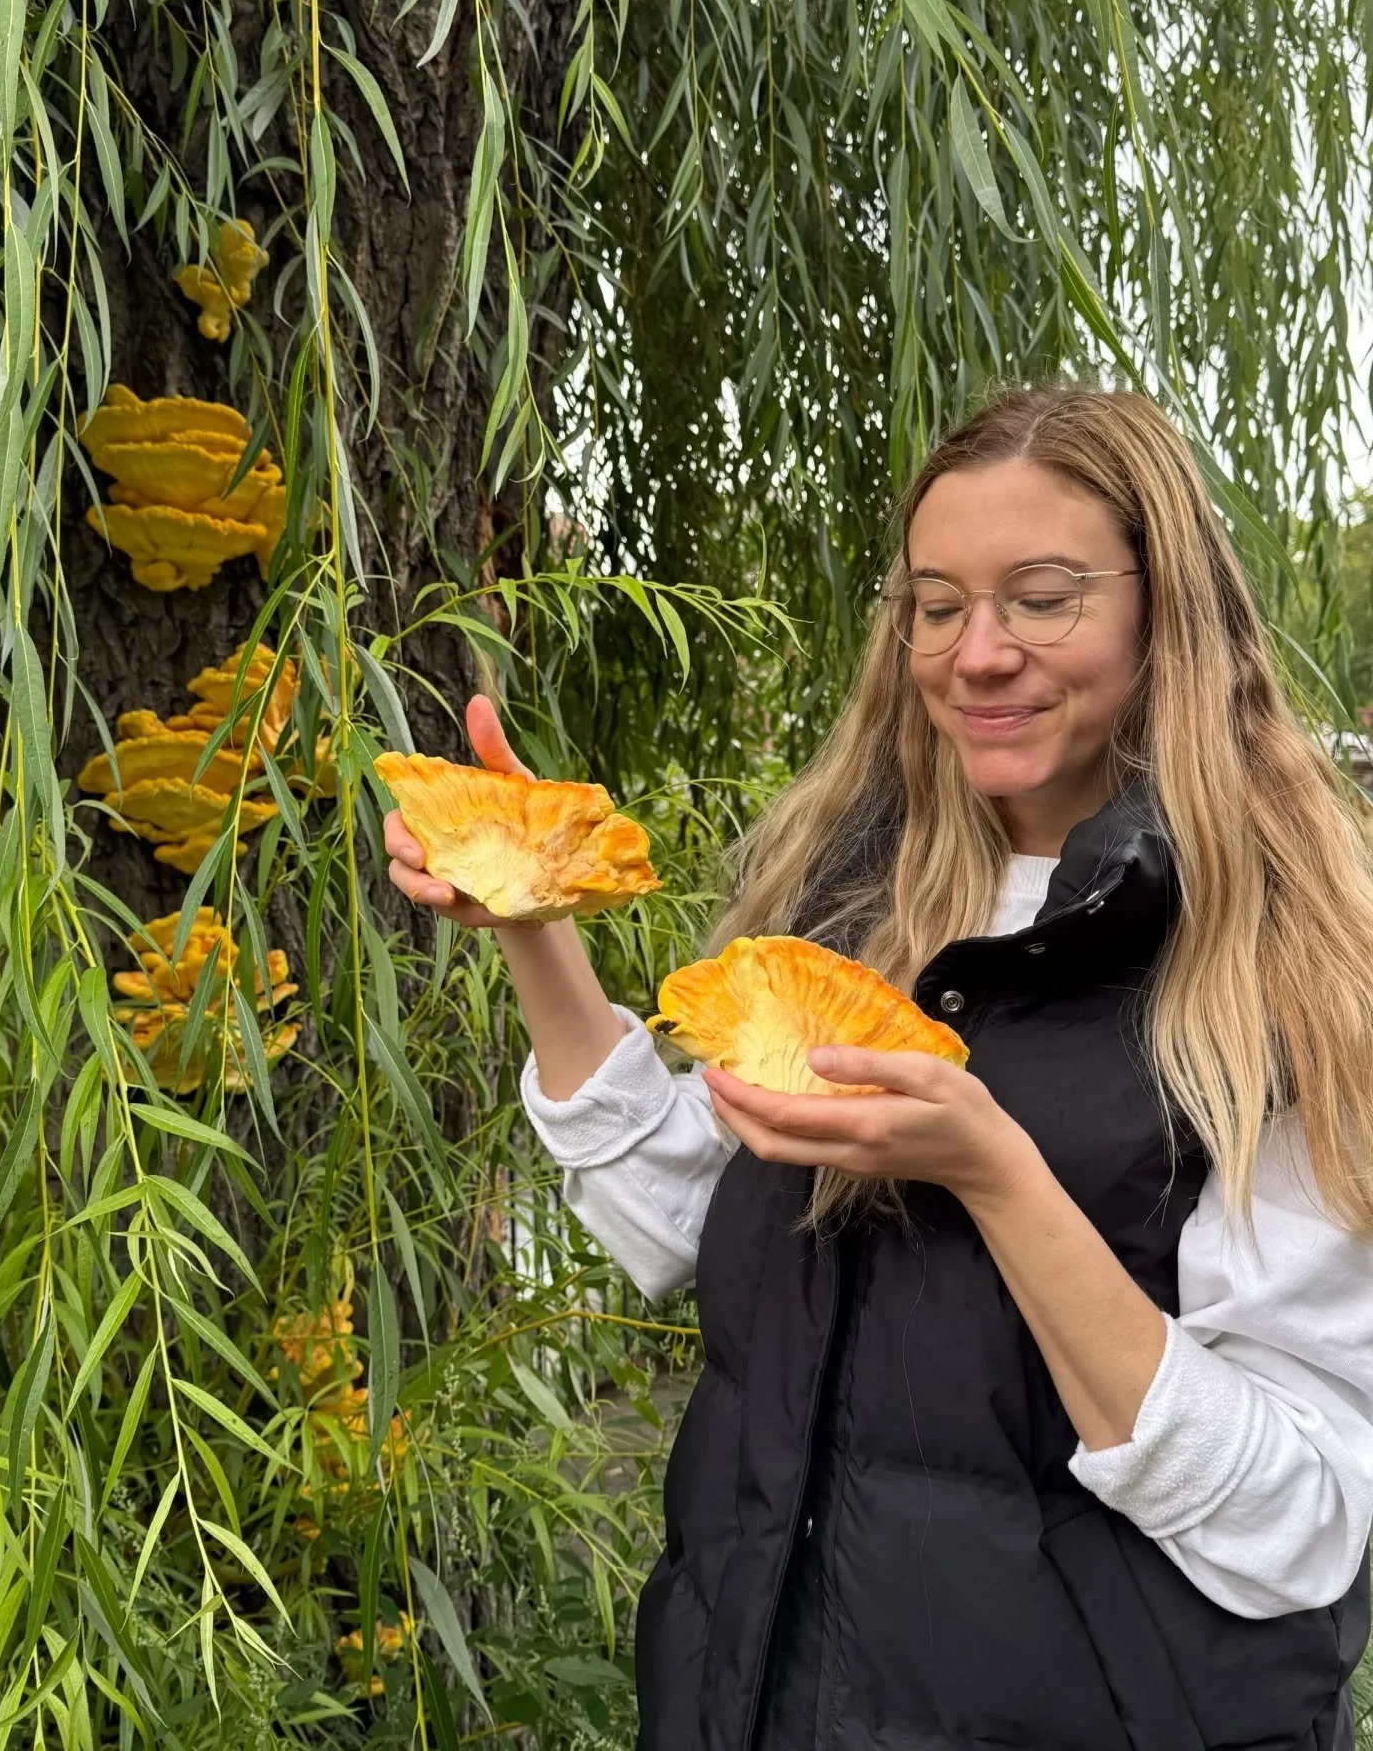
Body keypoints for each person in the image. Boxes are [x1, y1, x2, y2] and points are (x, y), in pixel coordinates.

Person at [384, 383, 1373, 1751]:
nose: (978, 653)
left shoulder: (1286, 972)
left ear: (1166, 609)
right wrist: (534, 925)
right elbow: (692, 1226)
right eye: (937, 602)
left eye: (1043, 596)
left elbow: (1298, 1522)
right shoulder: (854, 902)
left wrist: (993, 1175)